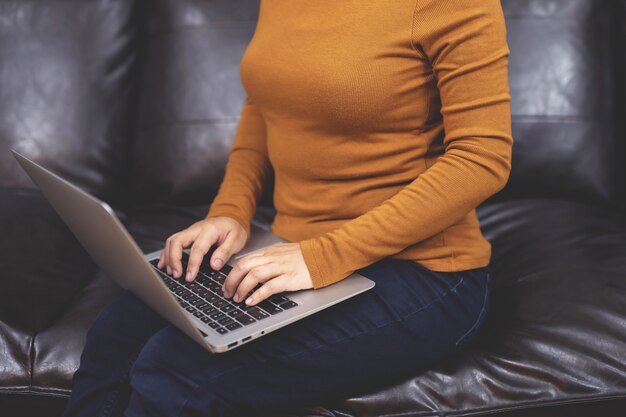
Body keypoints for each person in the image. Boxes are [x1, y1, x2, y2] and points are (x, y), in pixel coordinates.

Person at [63, 0, 512, 416]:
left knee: (173, 369)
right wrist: (230, 211)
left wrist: (322, 257)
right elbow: (264, 103)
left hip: (423, 271)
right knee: (113, 333)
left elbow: (481, 158)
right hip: (296, 253)